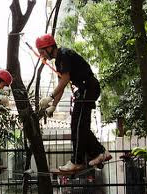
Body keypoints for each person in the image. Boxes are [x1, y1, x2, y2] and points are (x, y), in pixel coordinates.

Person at [36, 34, 112, 172]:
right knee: (79, 125)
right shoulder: (59, 60)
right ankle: (100, 153)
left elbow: (65, 79)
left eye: (42, 52)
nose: (42, 55)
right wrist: (54, 105)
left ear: (49, 47)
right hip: (84, 89)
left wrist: (50, 96)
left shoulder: (64, 54)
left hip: (87, 87)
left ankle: (77, 161)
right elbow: (62, 83)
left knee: (77, 126)